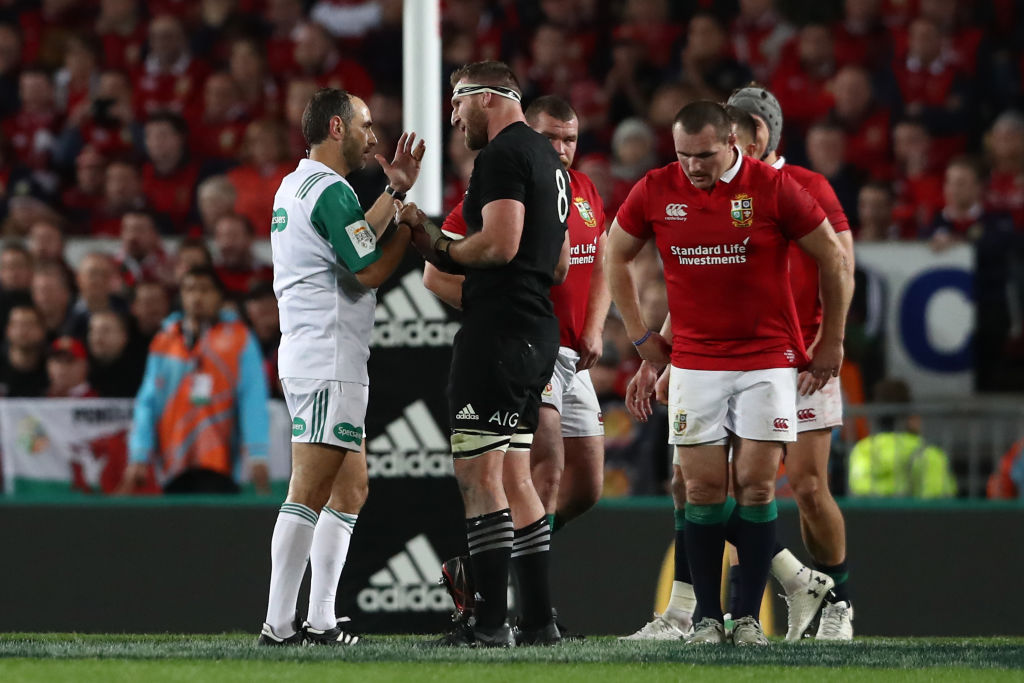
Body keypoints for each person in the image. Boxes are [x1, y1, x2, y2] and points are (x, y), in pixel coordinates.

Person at [606, 100, 851, 646]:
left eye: (705, 154)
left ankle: (745, 620)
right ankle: (707, 621)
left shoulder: (771, 187)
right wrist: (644, 339)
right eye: (683, 154)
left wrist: (830, 339)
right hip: (696, 362)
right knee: (701, 489)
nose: (693, 166)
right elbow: (613, 253)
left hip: (767, 359)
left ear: (732, 143)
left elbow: (833, 258)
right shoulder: (656, 187)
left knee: (759, 488)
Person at [403, 61, 570, 648]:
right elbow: (560, 264)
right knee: (517, 477)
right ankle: (540, 621)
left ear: (487, 98)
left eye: (456, 103)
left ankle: (488, 623)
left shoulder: (500, 156)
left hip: (498, 333)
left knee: (479, 478)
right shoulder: (550, 159)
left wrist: (441, 247)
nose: (453, 117)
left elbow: (500, 244)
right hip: (535, 329)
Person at [259, 87, 424, 647]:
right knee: (307, 490)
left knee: (350, 490)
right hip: (328, 358)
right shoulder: (331, 192)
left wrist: (393, 192)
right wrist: (407, 226)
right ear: (336, 128)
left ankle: (321, 620)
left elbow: (352, 238)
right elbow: (367, 271)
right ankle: (279, 626)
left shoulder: (299, 185)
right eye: (365, 124)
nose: (372, 136)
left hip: (318, 356)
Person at [423, 94, 609, 535]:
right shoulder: (502, 191)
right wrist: (493, 305)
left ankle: (513, 555)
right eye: (550, 138)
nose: (560, 150)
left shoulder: (582, 190)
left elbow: (600, 261)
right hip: (531, 346)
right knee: (546, 469)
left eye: (570, 140)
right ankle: (526, 588)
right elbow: (433, 275)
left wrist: (596, 328)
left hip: (574, 356)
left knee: (587, 486)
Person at [726, 85, 857, 640]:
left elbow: (842, 264)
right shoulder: (726, 193)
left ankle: (837, 603)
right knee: (737, 487)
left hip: (805, 359)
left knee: (805, 486)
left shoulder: (810, 186)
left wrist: (831, 341)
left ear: (759, 131)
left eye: (730, 134)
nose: (721, 146)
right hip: (741, 357)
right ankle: (749, 611)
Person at [121, 266, 269, 495]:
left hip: (221, 462)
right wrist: (139, 453)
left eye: (205, 290)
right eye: (189, 289)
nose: (197, 297)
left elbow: (253, 398)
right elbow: (147, 402)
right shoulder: (164, 341)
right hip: (173, 461)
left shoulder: (240, 339)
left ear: (219, 296)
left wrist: (258, 452)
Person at [0, 304, 48, 397]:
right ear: (8, 330)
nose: (23, 330)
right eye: (17, 324)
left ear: (42, 330)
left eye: (29, 324)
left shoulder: (52, 369)